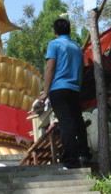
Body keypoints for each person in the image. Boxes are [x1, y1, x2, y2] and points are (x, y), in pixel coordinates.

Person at [38, 18, 91, 169]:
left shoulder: (54, 44)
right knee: (78, 122)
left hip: (58, 90)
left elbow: (50, 68)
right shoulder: (76, 48)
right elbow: (81, 71)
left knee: (66, 124)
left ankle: (71, 162)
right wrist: (77, 87)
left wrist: (45, 92)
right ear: (69, 30)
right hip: (74, 90)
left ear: (55, 31)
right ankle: (84, 153)